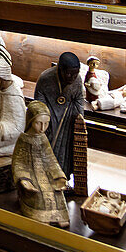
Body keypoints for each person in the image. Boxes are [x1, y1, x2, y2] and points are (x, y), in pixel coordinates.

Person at [13, 101, 70, 227]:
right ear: (30, 121)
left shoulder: (43, 138)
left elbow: (51, 159)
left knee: (57, 193)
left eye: (46, 123)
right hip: (30, 175)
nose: (43, 128)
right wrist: (24, 180)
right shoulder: (23, 139)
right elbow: (18, 162)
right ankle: (42, 217)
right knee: (37, 194)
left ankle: (59, 217)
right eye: (39, 123)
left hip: (46, 173)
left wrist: (59, 176)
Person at [33, 52, 85, 180]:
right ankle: (44, 175)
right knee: (46, 142)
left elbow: (79, 99)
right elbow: (39, 100)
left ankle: (63, 176)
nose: (72, 77)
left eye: (75, 73)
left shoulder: (77, 80)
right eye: (68, 73)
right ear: (59, 69)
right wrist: (44, 116)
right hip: (48, 115)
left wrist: (79, 118)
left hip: (67, 117)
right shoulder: (46, 78)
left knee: (65, 148)